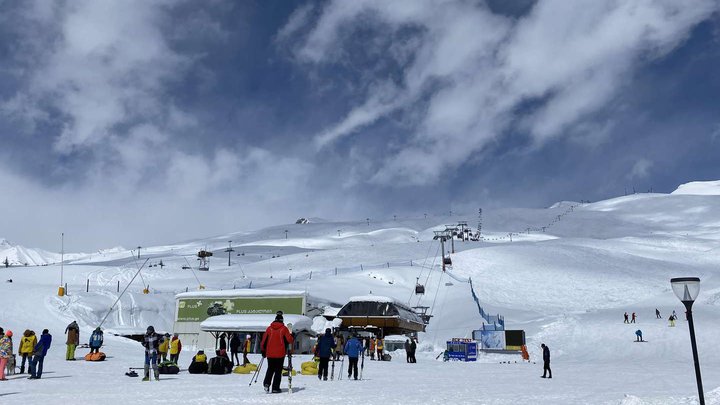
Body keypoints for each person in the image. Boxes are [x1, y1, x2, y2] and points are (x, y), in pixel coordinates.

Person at [260, 311, 294, 393]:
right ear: (282, 320)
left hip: (270, 353)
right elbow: (289, 340)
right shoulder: (284, 329)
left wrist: (263, 350)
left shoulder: (269, 329)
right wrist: (292, 336)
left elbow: (263, 341)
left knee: (270, 369)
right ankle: (275, 388)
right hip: (280, 353)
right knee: (278, 370)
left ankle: (266, 384)